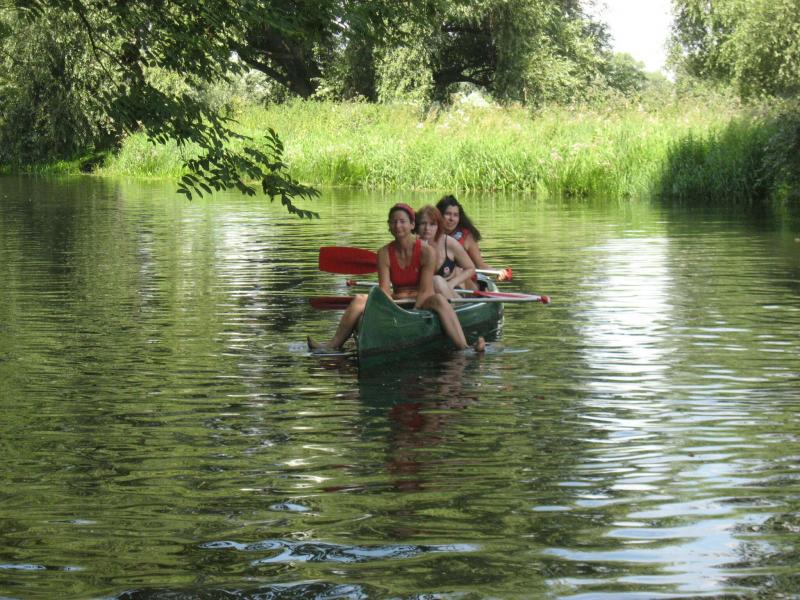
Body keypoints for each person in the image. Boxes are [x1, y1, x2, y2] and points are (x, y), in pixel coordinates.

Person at [308, 203, 484, 352]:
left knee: (439, 300)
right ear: (389, 226)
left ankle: (465, 347)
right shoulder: (384, 253)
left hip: (422, 299)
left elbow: (425, 290)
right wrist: (390, 311)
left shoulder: (427, 251)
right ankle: (332, 345)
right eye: (393, 222)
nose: (398, 226)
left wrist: (412, 315)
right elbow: (384, 290)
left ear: (412, 225)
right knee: (360, 299)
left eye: (402, 222)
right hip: (396, 300)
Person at [436, 195, 511, 281]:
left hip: (465, 282)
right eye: (448, 214)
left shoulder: (467, 237)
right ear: (439, 215)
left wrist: (498, 271)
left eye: (456, 215)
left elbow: (481, 266)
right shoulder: (429, 233)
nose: (452, 219)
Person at [415, 205, 476, 299]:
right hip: (425, 295)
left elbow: (471, 268)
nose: (427, 228)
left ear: (438, 226)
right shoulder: (411, 245)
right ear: (416, 225)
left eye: (432, 224)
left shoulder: (449, 242)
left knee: (436, 281)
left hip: (453, 293)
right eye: (423, 223)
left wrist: (451, 284)